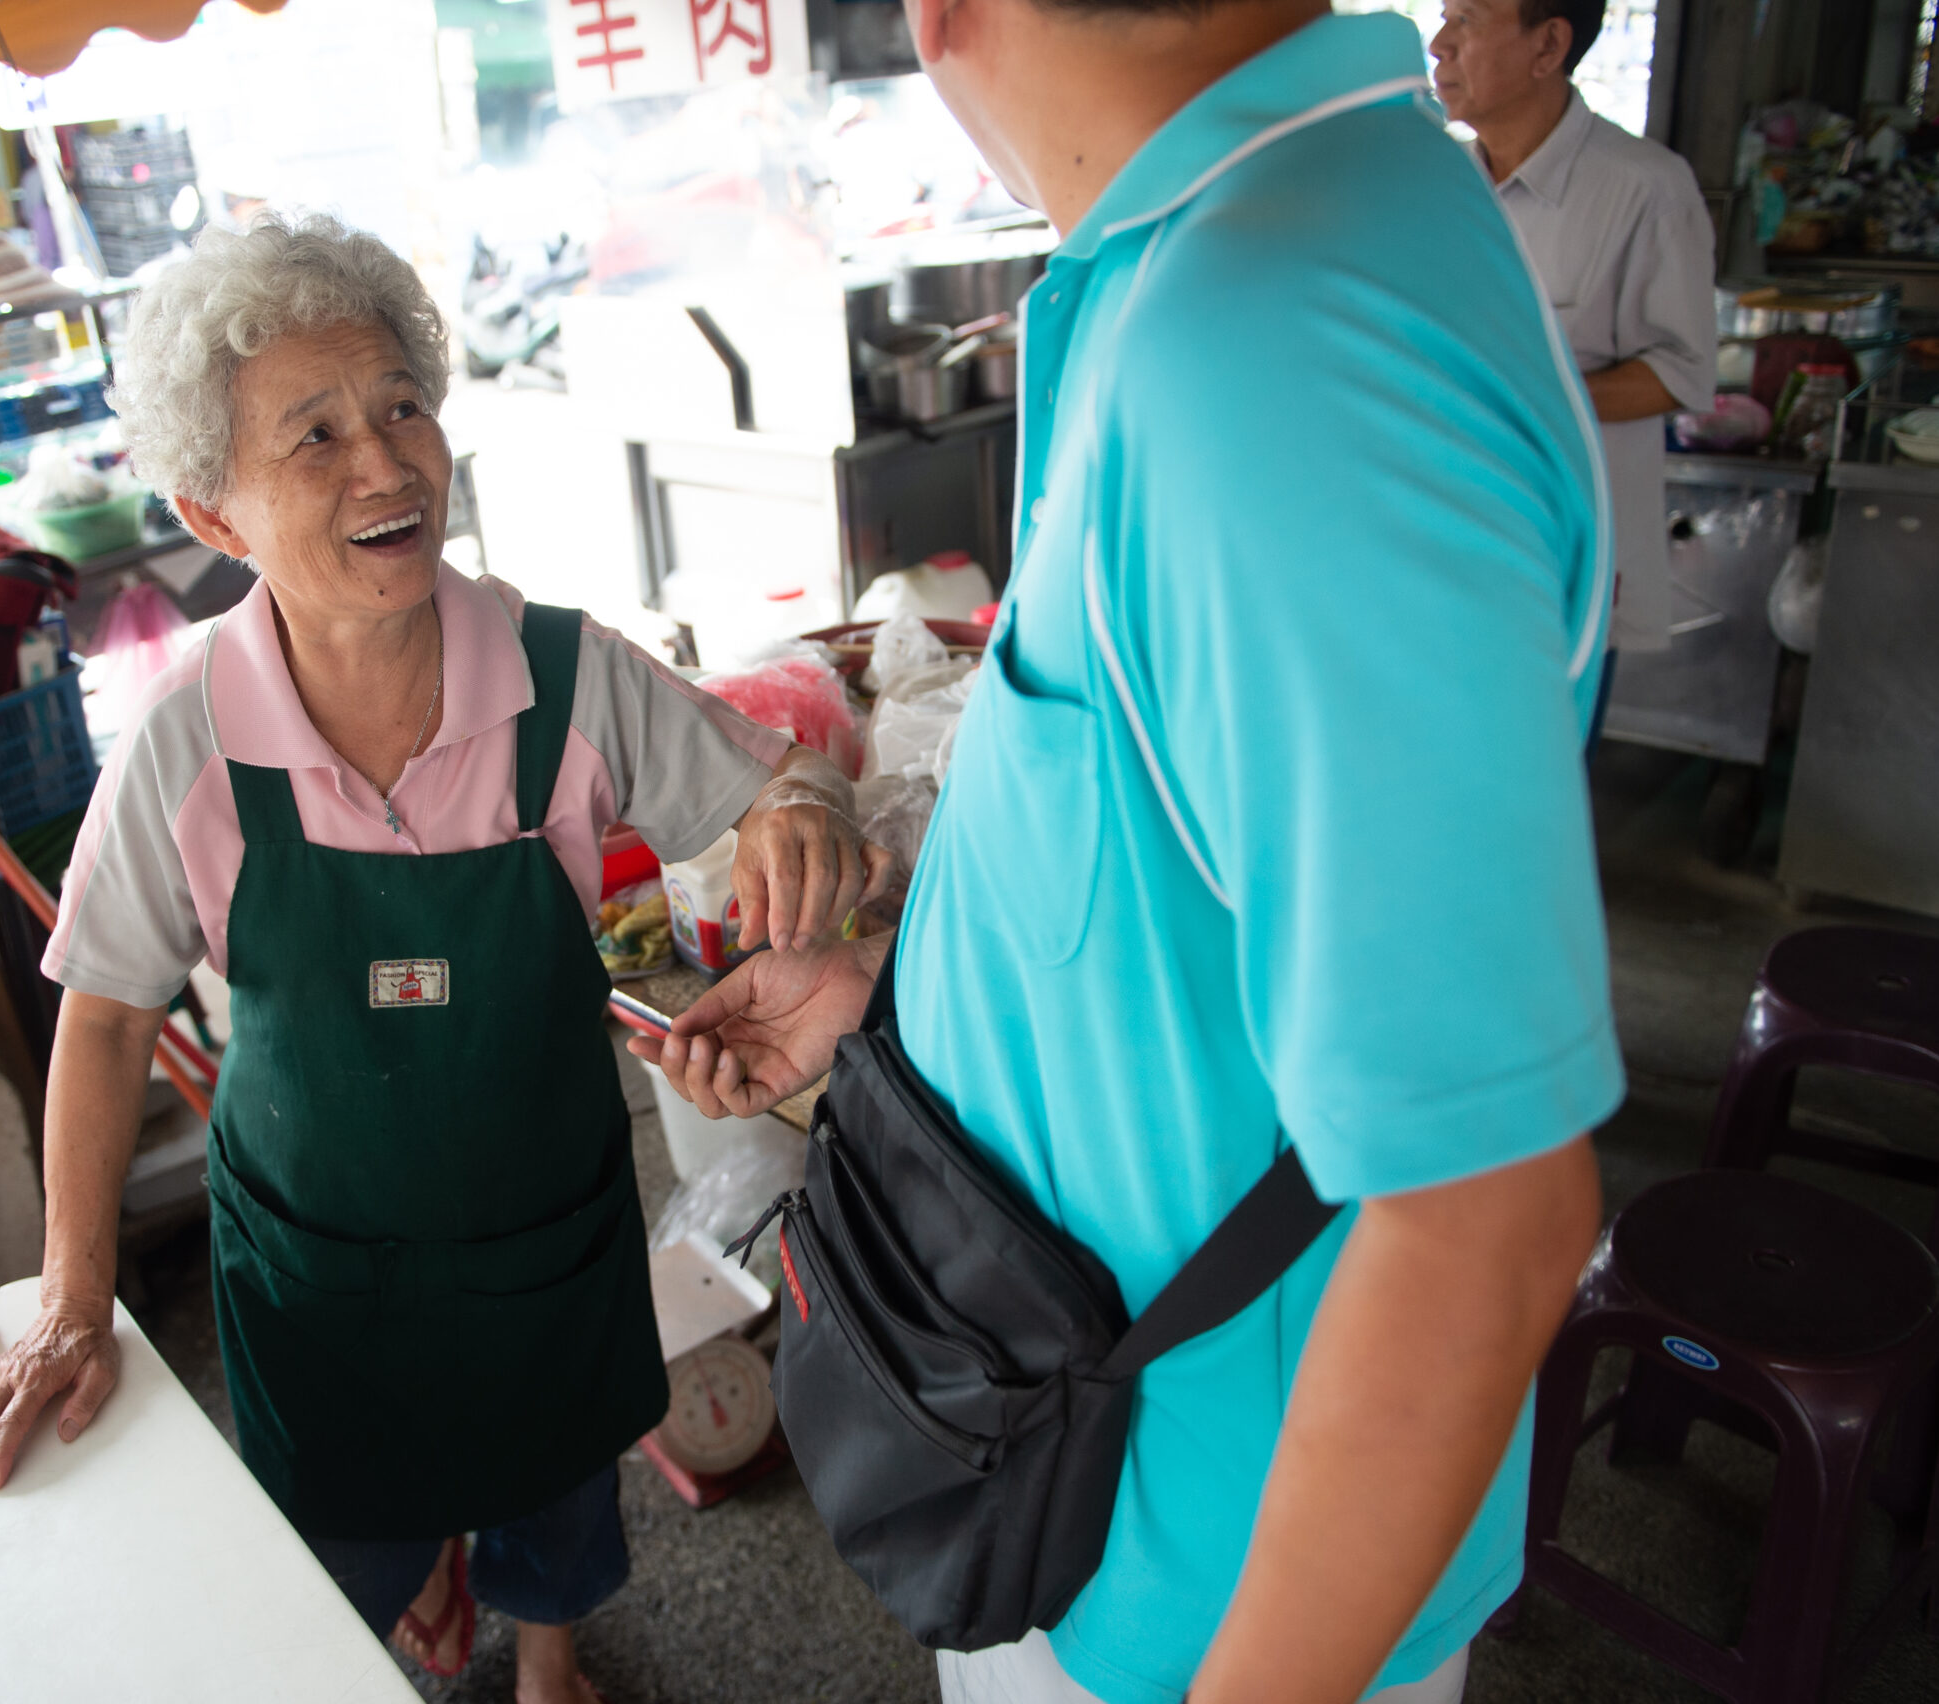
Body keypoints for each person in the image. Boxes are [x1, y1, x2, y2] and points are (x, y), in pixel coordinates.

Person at [637, 2, 1620, 1701]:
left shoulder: (1278, 350)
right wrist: (901, 994)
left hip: (1210, 1564)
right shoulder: (1225, 246)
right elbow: (1213, 866)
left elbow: (1484, 1210)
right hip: (1085, 1455)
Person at [0, 213, 886, 1704]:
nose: (384, 463)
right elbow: (105, 1020)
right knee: (341, 1545)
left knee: (559, 1487)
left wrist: (801, 809)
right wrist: (69, 1296)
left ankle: (550, 1668)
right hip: (319, 1263)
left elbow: (775, 775)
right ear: (219, 513)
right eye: (312, 437)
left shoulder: (563, 674)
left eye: (401, 406)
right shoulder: (186, 743)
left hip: (539, 1228)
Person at [1431, 0, 1718, 691]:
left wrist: (1530, 400)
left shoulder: (1644, 186)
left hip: (1564, 561)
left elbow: (1681, 373)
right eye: (1444, 18)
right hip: (1446, 544)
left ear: (1549, 44)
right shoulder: (1440, 188)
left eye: (1467, 20)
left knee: (1541, 780)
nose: (1440, 44)